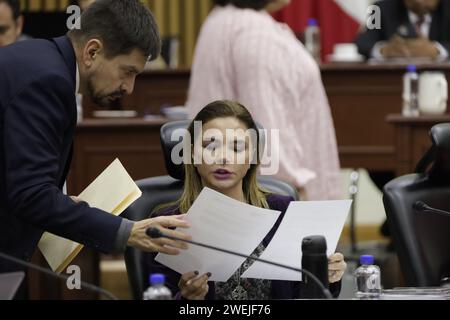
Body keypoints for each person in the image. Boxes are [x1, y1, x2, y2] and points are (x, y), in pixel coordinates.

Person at [0, 0, 191, 277]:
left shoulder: (42, 62)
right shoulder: (48, 81)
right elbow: (31, 195)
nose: (129, 87)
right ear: (92, 51)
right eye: (128, 71)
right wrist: (128, 231)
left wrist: (60, 203)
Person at [145, 100, 347, 300]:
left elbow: (303, 294)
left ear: (253, 156)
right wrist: (187, 298)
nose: (223, 158)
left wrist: (325, 277)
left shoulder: (282, 210)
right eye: (210, 146)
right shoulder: (166, 223)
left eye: (237, 147)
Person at [185, 0, 341, 201]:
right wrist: (288, 189)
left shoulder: (219, 20)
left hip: (232, 191)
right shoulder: (255, 32)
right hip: (275, 198)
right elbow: (265, 119)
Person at [355, 0, 450, 60]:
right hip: (392, 80)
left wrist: (437, 50)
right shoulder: (378, 9)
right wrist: (385, 50)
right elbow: (363, 43)